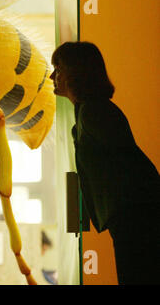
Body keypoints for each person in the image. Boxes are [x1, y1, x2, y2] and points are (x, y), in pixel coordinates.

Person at [50, 41, 160, 285]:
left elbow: (128, 165)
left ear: (75, 72)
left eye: (58, 68)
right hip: (132, 217)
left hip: (137, 219)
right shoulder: (89, 112)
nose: (52, 76)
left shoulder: (93, 112)